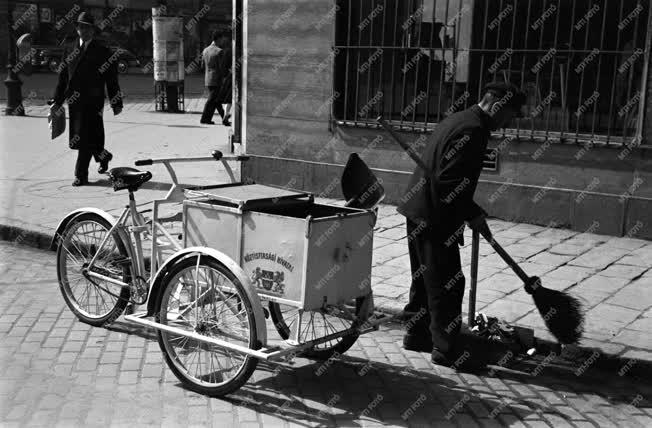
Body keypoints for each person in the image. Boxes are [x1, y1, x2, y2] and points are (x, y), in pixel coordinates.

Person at [397, 82, 526, 370]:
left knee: (424, 279)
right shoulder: (473, 130)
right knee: (448, 285)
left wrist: (469, 211)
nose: (508, 124)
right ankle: (446, 349)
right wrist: (473, 213)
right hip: (434, 215)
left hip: (419, 208)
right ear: (496, 105)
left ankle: (417, 335)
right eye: (510, 115)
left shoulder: (458, 118)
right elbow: (450, 182)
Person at [52, 11, 123, 187]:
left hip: (94, 102)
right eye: (81, 26)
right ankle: (104, 156)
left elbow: (111, 80)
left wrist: (116, 102)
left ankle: (80, 175)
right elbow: (63, 78)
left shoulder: (103, 51)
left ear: (93, 30)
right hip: (75, 102)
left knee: (85, 138)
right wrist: (57, 101)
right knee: (86, 137)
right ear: (76, 29)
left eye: (87, 27)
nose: (84, 30)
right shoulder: (69, 48)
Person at [200, 31, 225, 124]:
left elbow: (202, 66)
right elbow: (221, 67)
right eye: (222, 39)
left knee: (216, 99)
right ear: (218, 39)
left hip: (208, 79)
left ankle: (224, 118)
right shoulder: (219, 51)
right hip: (216, 79)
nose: (223, 41)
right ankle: (204, 119)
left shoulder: (205, 50)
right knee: (211, 100)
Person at [216, 35, 233, 126]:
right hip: (231, 77)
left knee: (227, 98)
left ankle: (226, 115)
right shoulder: (232, 52)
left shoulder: (222, 52)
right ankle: (226, 116)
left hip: (225, 78)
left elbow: (220, 66)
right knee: (229, 98)